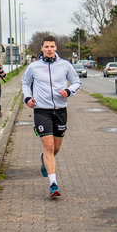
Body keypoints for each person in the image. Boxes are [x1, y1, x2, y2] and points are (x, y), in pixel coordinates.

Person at [21, 35, 80, 198]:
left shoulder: (65, 65)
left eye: (52, 46)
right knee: (48, 146)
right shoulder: (34, 67)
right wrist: (27, 98)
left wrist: (68, 91)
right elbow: (25, 83)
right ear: (41, 48)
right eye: (46, 46)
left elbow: (76, 82)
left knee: (55, 148)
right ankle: (53, 184)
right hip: (41, 110)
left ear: (56, 48)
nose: (49, 49)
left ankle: (45, 160)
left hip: (60, 110)